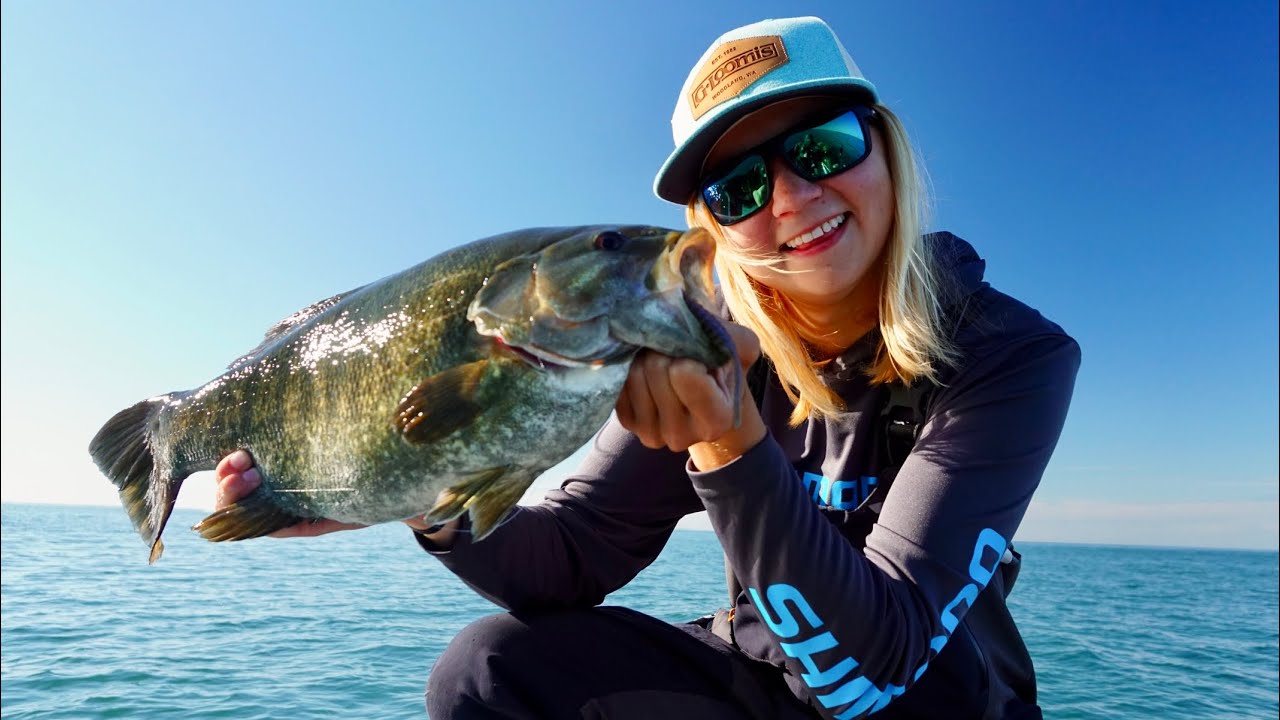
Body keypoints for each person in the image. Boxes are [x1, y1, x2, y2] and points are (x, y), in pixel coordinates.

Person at [214, 16, 1080, 720]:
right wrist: (419, 490)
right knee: (485, 671)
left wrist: (734, 448)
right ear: (713, 227)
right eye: (738, 188)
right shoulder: (693, 344)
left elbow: (871, 669)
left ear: (883, 146)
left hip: (931, 702)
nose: (790, 197)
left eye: (820, 148)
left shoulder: (1010, 356)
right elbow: (567, 556)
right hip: (759, 680)